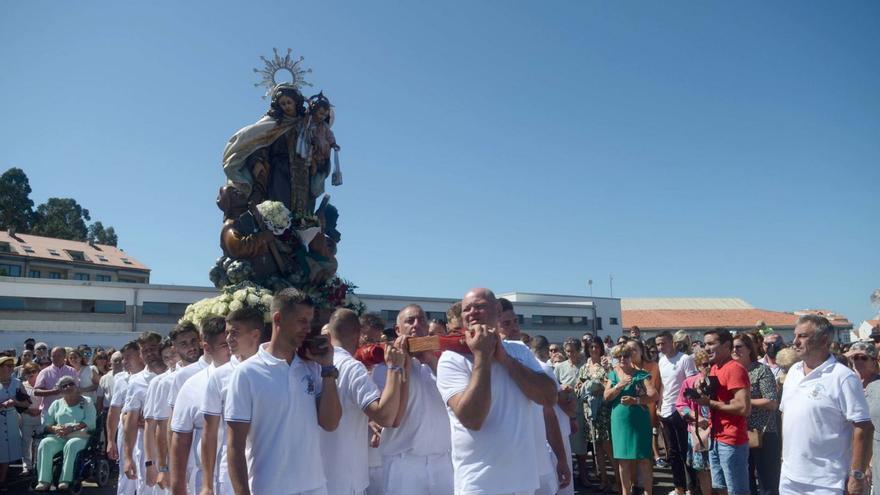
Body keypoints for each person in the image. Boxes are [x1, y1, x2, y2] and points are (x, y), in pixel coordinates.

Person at [436, 288, 557, 494]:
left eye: (480, 306)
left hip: (523, 482)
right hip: (480, 483)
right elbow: (472, 418)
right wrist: (483, 356)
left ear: (498, 311)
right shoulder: (451, 359)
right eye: (467, 309)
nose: (472, 312)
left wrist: (506, 361)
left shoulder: (519, 350)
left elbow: (549, 397)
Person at [226, 288, 342, 495]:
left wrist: (327, 369)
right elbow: (235, 446)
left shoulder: (313, 368)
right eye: (301, 320)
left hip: (314, 487)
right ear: (278, 318)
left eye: (310, 321)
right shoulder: (246, 373)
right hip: (269, 488)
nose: (308, 328)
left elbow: (330, 423)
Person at [780, 315, 873, 495]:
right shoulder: (793, 372)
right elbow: (786, 416)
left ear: (824, 340)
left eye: (803, 336)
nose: (795, 342)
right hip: (790, 479)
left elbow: (863, 428)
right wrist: (784, 458)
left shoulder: (843, 377)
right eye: (795, 335)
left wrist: (857, 475)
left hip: (827, 482)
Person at [320, 308, 407, 495]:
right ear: (358, 335)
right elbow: (384, 416)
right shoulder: (352, 368)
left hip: (314, 476)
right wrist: (394, 368)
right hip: (344, 479)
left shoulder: (310, 363)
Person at [372, 304, 453, 495]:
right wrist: (402, 363)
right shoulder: (383, 367)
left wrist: (431, 360)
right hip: (404, 463)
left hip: (442, 462)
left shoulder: (444, 363)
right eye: (410, 321)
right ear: (398, 330)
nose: (416, 325)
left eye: (421, 320)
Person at [497, 299, 571, 494]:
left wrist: (561, 458)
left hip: (540, 462)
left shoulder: (525, 354)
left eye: (515, 321)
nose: (514, 328)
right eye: (506, 323)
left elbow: (548, 411)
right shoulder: (480, 362)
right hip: (508, 468)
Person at [201, 308, 265, 495]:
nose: (228, 338)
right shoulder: (219, 377)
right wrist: (207, 484)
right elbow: (209, 433)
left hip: (267, 467)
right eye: (227, 333)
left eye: (234, 333)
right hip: (230, 473)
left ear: (255, 335)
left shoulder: (272, 371)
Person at [171, 317, 231, 495]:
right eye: (223, 345)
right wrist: (177, 485)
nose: (230, 350)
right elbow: (180, 438)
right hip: (207, 480)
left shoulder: (251, 377)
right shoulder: (192, 384)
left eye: (231, 342)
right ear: (207, 348)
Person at [700, 328, 750, 495]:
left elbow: (743, 407)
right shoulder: (714, 368)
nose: (706, 348)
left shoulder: (735, 369)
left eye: (711, 343)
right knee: (721, 487)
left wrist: (710, 403)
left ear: (726, 345)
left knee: (736, 490)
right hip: (716, 437)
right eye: (705, 344)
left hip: (731, 440)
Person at [604, 343, 657, 495]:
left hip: (639, 421)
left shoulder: (641, 375)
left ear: (630, 357)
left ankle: (648, 492)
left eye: (626, 355)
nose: (622, 359)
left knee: (644, 460)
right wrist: (618, 386)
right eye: (619, 356)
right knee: (623, 461)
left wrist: (635, 401)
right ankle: (626, 492)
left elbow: (654, 395)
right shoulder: (613, 375)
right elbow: (606, 397)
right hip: (620, 422)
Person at [732, 333, 780, 495]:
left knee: (767, 483)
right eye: (732, 347)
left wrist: (744, 401)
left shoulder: (761, 371)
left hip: (764, 433)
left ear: (749, 349)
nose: (734, 350)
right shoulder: (731, 372)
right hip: (739, 433)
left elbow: (772, 402)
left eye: (739, 347)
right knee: (746, 482)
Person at [34, 375, 96, 491]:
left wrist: (71, 429)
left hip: (80, 436)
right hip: (60, 436)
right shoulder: (56, 404)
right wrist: (54, 429)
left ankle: (65, 480)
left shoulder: (87, 401)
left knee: (71, 444)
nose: (68, 386)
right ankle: (44, 481)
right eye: (64, 385)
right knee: (45, 443)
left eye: (71, 383)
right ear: (60, 390)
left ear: (76, 385)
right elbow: (47, 423)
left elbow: (90, 421)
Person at [122, 332, 166, 494]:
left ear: (161, 347)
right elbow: (130, 420)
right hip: (147, 450)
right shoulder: (137, 381)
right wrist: (128, 457)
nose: (149, 354)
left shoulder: (176, 372)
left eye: (153, 348)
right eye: (144, 350)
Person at [532, 335, 577, 495]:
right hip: (554, 428)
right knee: (562, 482)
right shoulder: (544, 368)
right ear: (545, 351)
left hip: (542, 430)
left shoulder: (526, 367)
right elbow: (562, 401)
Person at [655, 330, 698, 495]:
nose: (660, 347)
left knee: (685, 450)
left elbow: (691, 384)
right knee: (672, 453)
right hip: (665, 411)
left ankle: (692, 487)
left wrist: (686, 410)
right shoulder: (661, 361)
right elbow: (664, 385)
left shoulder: (685, 359)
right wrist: (659, 406)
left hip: (681, 411)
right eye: (658, 344)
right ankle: (679, 487)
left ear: (672, 342)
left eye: (663, 343)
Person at [577, 335, 617, 492]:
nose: (594, 350)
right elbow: (578, 386)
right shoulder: (584, 367)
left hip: (604, 408)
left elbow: (613, 382)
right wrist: (585, 386)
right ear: (587, 349)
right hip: (589, 410)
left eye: (597, 347)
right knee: (597, 447)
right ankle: (604, 479)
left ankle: (619, 479)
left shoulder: (606, 365)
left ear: (601, 348)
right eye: (591, 347)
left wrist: (600, 386)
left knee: (607, 445)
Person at [107, 341, 144, 495]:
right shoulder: (121, 379)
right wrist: (110, 440)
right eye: (123, 358)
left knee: (144, 474)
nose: (124, 362)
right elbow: (114, 410)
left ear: (140, 355)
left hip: (147, 431)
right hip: (126, 431)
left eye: (128, 357)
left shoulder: (155, 375)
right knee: (126, 473)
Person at [675, 350, 713, 495]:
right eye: (704, 364)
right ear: (697, 366)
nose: (708, 367)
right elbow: (680, 405)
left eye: (710, 363)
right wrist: (694, 416)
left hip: (719, 430)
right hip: (698, 431)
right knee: (703, 470)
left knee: (720, 468)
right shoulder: (689, 382)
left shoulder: (721, 379)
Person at [555, 338, 589, 485]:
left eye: (573, 351)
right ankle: (566, 476)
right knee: (564, 446)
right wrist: (562, 387)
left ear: (578, 351)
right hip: (564, 411)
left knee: (581, 447)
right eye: (567, 351)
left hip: (581, 410)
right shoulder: (559, 367)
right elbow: (554, 387)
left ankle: (584, 476)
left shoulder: (585, 365)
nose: (570, 354)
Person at [627, 339, 664, 470]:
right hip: (630, 411)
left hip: (649, 409)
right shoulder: (625, 368)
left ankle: (647, 480)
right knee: (633, 446)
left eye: (634, 349)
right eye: (628, 350)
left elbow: (658, 388)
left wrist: (658, 408)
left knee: (646, 444)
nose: (631, 352)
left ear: (641, 351)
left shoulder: (653, 366)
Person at [0, 355, 28, 491]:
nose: (12, 368)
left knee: (6, 451)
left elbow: (27, 403)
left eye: (12, 366)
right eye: (8, 366)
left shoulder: (17, 383)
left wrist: (15, 402)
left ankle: (2, 481)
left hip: (11, 420)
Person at [33, 347, 77, 423]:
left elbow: (77, 388)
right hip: (49, 411)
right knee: (47, 434)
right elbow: (36, 391)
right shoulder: (45, 372)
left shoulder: (72, 371)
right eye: (53, 356)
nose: (56, 358)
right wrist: (52, 392)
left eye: (59, 356)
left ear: (64, 357)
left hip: (68, 411)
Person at [20, 362, 42, 476]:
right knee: (26, 442)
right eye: (28, 372)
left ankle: (38, 465)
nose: (31, 374)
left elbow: (47, 402)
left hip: (40, 417)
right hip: (26, 416)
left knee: (39, 443)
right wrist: (29, 411)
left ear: (38, 372)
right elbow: (18, 403)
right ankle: (26, 467)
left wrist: (40, 410)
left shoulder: (43, 385)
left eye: (34, 371)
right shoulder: (21, 385)